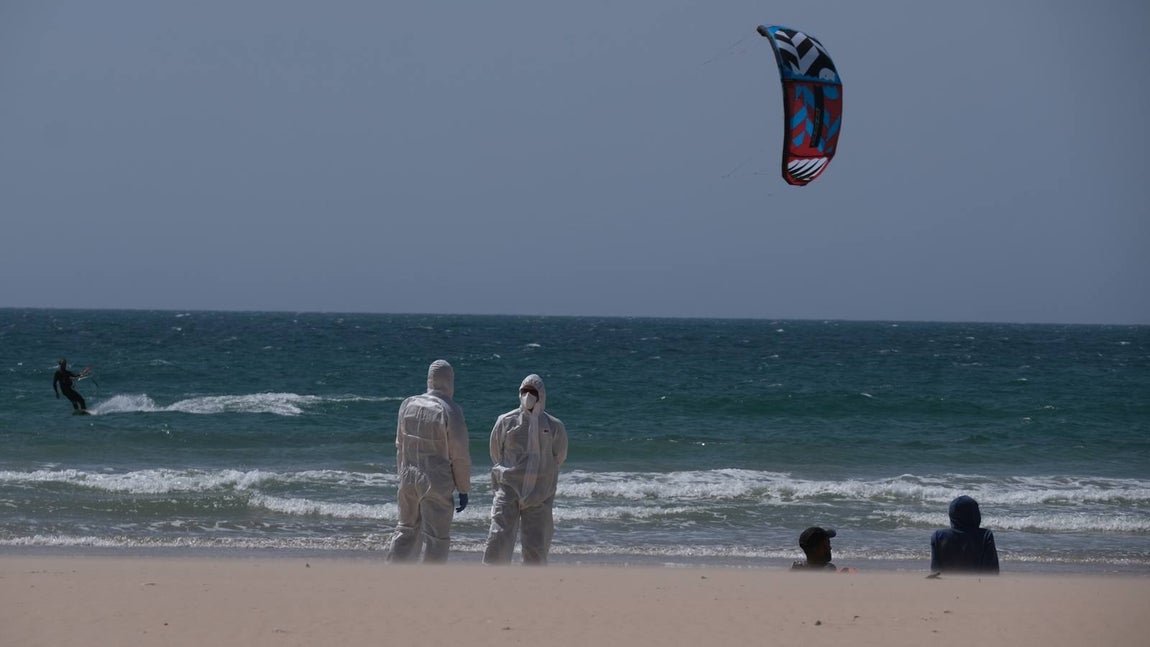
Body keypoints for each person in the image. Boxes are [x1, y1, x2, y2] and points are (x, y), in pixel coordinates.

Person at [385, 360, 471, 563]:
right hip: (436, 480)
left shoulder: (408, 404)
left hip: (408, 476)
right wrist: (463, 487)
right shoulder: (450, 410)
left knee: (406, 529)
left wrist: (402, 477)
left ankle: (394, 575)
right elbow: (459, 455)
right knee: (436, 538)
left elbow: (400, 445)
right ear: (450, 380)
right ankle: (431, 581)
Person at [483, 374, 568, 565]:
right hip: (508, 490)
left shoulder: (554, 426)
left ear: (541, 395)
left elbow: (559, 456)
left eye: (533, 392)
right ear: (519, 393)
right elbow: (496, 453)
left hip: (540, 494)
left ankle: (533, 585)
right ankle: (491, 581)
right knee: (498, 538)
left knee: (536, 547)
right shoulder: (506, 421)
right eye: (525, 391)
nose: (528, 396)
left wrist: (541, 475)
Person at [930, 495, 1000, 575]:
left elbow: (935, 571)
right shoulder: (985, 536)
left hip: (947, 586)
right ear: (975, 514)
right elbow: (992, 571)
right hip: (978, 584)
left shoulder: (938, 537)